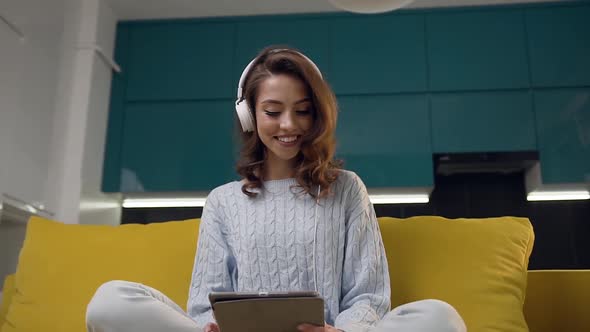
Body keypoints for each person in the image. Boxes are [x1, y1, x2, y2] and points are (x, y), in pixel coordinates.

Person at [86, 46, 467, 332]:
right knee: (110, 301)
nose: (289, 124)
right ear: (249, 114)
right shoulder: (223, 201)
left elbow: (368, 294)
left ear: (317, 114)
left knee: (440, 318)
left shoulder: (347, 189)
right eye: (272, 111)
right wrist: (212, 325)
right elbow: (204, 302)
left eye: (302, 110)